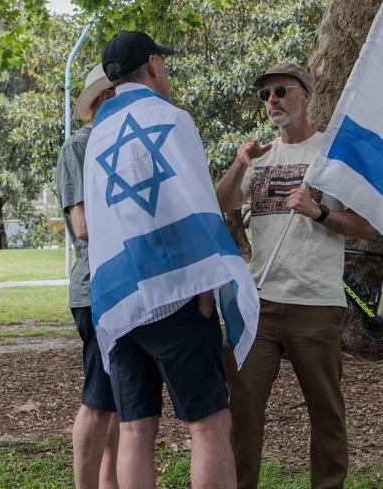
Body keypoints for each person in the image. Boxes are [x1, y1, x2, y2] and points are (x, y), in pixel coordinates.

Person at [83, 31, 256, 489]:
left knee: (136, 429)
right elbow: (195, 205)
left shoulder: (97, 135)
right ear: (154, 65)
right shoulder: (170, 118)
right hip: (173, 294)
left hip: (117, 300)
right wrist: (204, 285)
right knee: (208, 425)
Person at [215, 62, 375, 489]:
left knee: (326, 413)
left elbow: (365, 225)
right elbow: (222, 202)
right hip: (259, 306)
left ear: (306, 95)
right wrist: (239, 162)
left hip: (316, 304)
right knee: (243, 412)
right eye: (266, 95)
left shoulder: (330, 156)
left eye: (282, 92)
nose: (273, 101)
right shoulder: (260, 157)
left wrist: (319, 212)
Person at [56, 62, 119, 489]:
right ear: (103, 99)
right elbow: (83, 227)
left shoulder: (119, 145)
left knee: (118, 400)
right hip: (96, 289)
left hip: (124, 286)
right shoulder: (77, 148)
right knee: (98, 400)